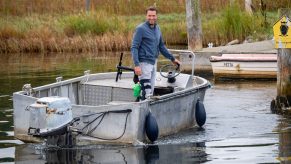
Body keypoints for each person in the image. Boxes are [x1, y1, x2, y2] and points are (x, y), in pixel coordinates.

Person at [131, 6, 181, 100]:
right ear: (146, 16)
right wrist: (137, 65)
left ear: (156, 16)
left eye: (153, 15)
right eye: (149, 15)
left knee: (151, 88)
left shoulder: (157, 28)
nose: (151, 18)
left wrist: (172, 59)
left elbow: (161, 46)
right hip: (144, 63)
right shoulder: (140, 29)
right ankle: (143, 110)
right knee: (147, 90)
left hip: (153, 62)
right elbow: (134, 47)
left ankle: (146, 106)